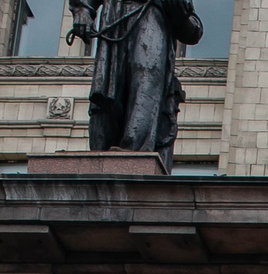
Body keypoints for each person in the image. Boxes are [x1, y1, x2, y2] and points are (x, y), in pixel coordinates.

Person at [68, 0, 204, 166]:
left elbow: (192, 30)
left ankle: (134, 151)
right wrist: (82, 10)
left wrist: (180, 14)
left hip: (152, 19)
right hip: (114, 21)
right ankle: (102, 156)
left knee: (146, 79)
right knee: (107, 98)